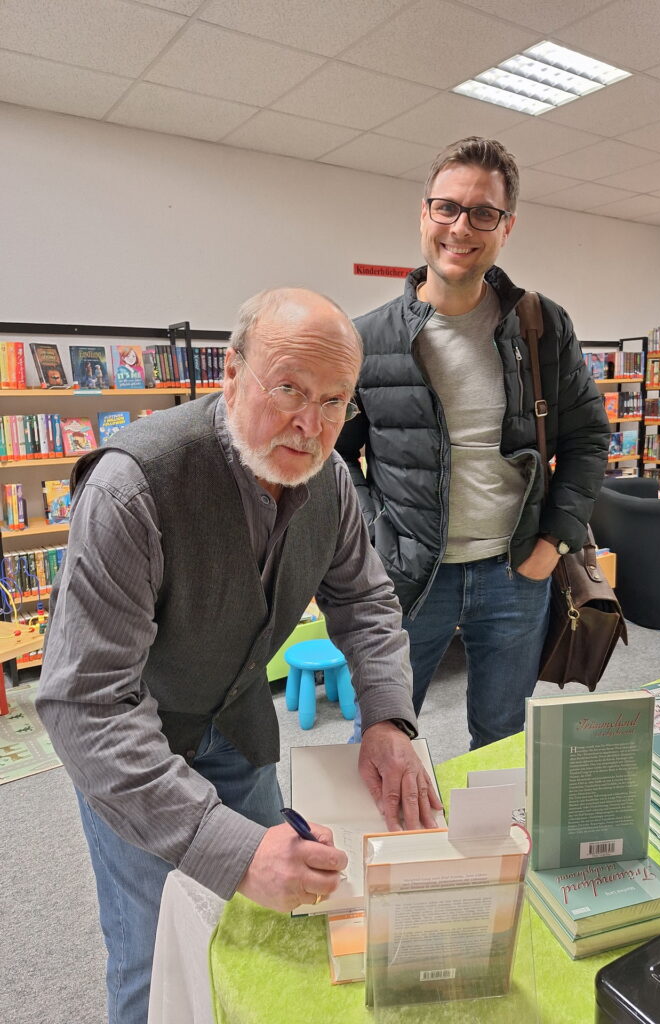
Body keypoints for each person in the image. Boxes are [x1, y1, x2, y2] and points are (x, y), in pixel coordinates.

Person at [37, 287, 441, 1024]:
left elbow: (366, 602)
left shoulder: (329, 482)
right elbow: (85, 705)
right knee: (154, 958)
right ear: (231, 372)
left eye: (334, 402)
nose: (310, 425)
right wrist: (228, 848)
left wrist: (388, 717)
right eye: (288, 389)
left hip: (240, 730)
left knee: (263, 929)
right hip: (136, 752)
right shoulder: (132, 488)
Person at [336, 136, 609, 750]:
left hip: (516, 573)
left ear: (506, 227)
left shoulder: (542, 326)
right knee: (381, 735)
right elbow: (333, 455)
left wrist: (553, 543)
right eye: (447, 208)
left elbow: (588, 437)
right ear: (424, 214)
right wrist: (377, 533)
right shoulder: (367, 339)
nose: (461, 227)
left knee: (502, 738)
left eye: (483, 212)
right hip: (410, 577)